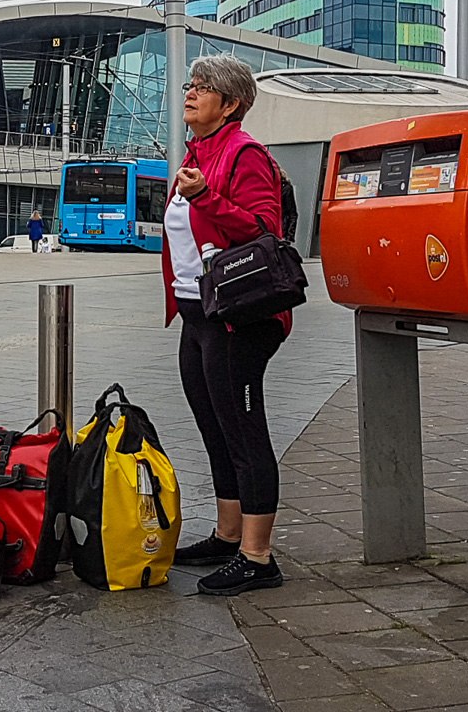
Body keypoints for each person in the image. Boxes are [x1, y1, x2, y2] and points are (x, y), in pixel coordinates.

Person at [164, 53, 291, 597]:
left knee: (243, 432)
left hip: (240, 318)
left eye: (202, 87)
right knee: (215, 429)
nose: (190, 93)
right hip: (199, 314)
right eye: (190, 84)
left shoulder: (245, 154)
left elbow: (265, 229)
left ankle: (258, 557)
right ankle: (228, 534)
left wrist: (204, 197)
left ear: (231, 103)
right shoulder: (199, 150)